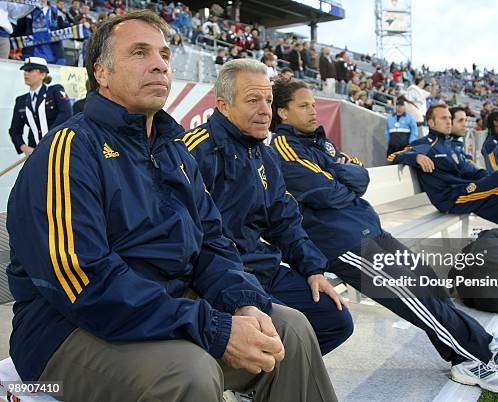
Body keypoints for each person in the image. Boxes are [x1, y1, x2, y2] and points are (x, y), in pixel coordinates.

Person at [6, 11, 337, 402]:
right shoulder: (70, 149)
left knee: (289, 331)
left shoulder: (174, 151)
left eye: (164, 54)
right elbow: (83, 283)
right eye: (140, 53)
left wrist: (242, 303)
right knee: (189, 373)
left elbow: (213, 244)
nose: (160, 64)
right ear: (102, 73)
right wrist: (211, 327)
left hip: (167, 308)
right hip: (63, 331)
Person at [270, 80, 498, 394]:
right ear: (283, 112)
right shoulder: (282, 147)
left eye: (314, 104)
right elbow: (325, 192)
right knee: (413, 296)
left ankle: (463, 360)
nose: (312, 110)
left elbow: (360, 175)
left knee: (425, 279)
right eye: (303, 106)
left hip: (366, 228)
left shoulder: (321, 142)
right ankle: (486, 349)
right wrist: (340, 176)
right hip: (340, 242)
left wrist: (340, 175)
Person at [183, 59, 353, 356]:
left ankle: (258, 384)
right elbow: (193, 241)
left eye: (269, 100)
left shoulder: (265, 154)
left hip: (262, 268)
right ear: (223, 106)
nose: (265, 110)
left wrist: (312, 269)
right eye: (253, 100)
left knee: (335, 320)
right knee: (289, 330)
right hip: (219, 276)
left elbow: (284, 219)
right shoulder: (195, 151)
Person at [389, 104, 498, 276]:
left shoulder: (449, 146)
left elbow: (472, 171)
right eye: (443, 118)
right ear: (431, 123)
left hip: (470, 193)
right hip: (453, 199)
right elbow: (393, 156)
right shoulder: (425, 145)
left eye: (449, 118)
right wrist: (416, 156)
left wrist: (488, 179)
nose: (449, 121)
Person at [8, 56, 72, 156]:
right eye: (25, 70)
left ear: (42, 74)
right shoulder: (21, 101)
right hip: (35, 151)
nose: (26, 73)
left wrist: (48, 139)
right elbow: (15, 130)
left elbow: (66, 114)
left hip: (57, 149)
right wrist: (25, 148)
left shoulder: (55, 91)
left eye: (30, 70)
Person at [14, 0, 69, 64]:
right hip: (31, 55)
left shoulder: (55, 13)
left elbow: (66, 31)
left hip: (52, 57)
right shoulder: (28, 11)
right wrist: (14, 52)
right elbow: (18, 31)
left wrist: (82, 27)